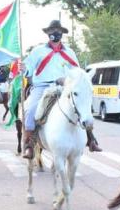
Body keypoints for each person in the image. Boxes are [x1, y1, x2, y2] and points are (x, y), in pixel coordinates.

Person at [21, 20, 101, 159]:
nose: (55, 33)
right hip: (43, 86)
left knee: (82, 106)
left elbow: (76, 71)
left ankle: (91, 138)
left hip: (65, 86)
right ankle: (29, 143)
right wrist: (23, 69)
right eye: (52, 31)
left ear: (62, 34)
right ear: (48, 33)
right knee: (31, 109)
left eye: (58, 31)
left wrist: (70, 81)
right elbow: (28, 69)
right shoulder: (38, 51)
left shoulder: (69, 52)